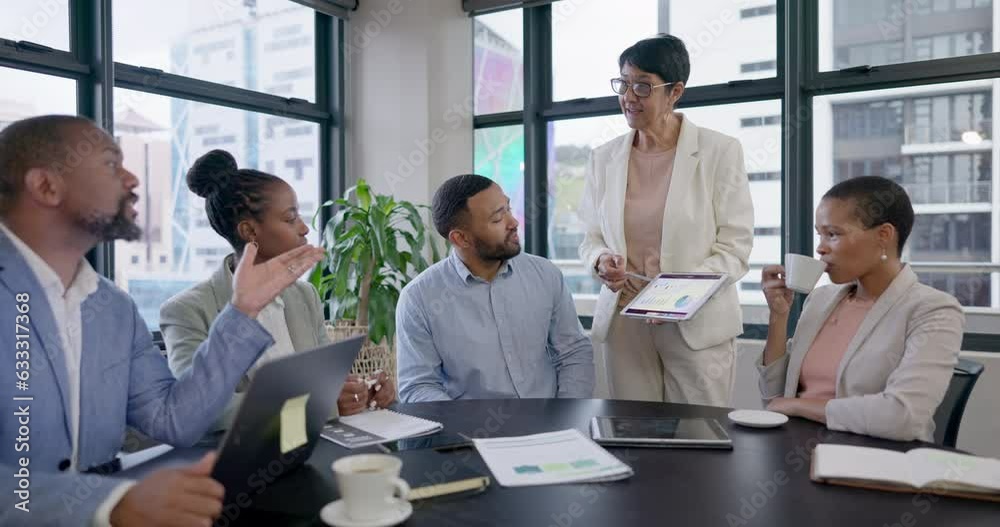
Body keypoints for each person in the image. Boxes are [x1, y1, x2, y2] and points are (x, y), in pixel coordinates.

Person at [0, 115, 324, 526]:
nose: (132, 179)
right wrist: (108, 503)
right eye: (111, 165)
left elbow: (175, 420)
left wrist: (243, 312)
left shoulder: (114, 309)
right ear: (46, 186)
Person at [160, 149, 395, 432]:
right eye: (290, 218)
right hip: (237, 460)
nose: (304, 228)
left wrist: (363, 391)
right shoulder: (187, 310)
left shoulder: (304, 296)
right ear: (250, 231)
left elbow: (326, 382)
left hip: (310, 448)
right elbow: (201, 410)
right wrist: (317, 403)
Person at [579, 34, 754, 406]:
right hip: (625, 322)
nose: (628, 96)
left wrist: (673, 298)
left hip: (694, 324)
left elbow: (734, 249)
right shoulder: (603, 158)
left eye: (642, 86)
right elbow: (591, 236)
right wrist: (600, 259)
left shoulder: (719, 151)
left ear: (675, 92)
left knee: (699, 438)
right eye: (623, 84)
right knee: (634, 433)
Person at [759, 176, 964, 442]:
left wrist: (799, 406)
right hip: (795, 448)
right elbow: (773, 399)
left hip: (874, 461)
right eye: (819, 234)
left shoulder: (933, 310)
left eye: (833, 234)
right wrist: (778, 316)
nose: (820, 248)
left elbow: (903, 417)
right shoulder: (820, 300)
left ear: (883, 236)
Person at [396, 174, 594, 402]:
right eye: (498, 218)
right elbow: (418, 387)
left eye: (508, 208)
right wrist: (468, 430)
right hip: (469, 432)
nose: (514, 222)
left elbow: (573, 353)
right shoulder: (419, 299)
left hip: (553, 427)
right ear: (461, 238)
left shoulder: (545, 275)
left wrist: (566, 417)